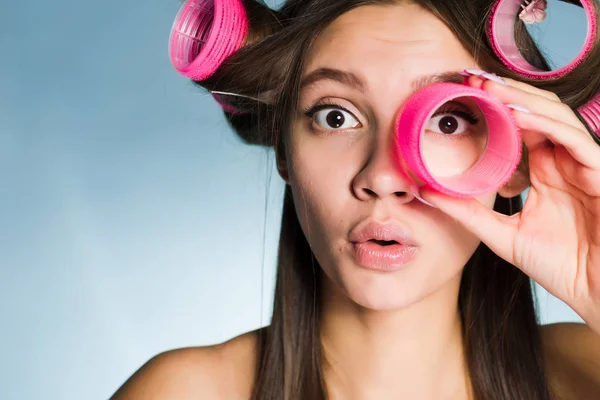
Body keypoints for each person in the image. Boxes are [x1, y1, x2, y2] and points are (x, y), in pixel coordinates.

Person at [111, 0, 600, 398]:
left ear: (514, 161)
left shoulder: (588, 371)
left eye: (447, 121)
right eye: (336, 117)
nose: (383, 177)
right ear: (284, 147)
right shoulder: (183, 392)